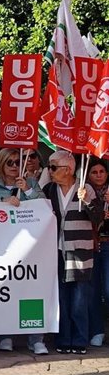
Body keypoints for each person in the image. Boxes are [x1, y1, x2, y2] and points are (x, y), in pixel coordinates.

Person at [0, 149, 48, 355]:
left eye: (17, 161)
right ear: (1, 164)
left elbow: (45, 206)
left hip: (30, 248)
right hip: (3, 248)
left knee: (32, 291)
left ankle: (35, 338)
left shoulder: (32, 183)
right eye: (9, 162)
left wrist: (28, 190)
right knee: (6, 292)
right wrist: (1, 204)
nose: (13, 165)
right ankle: (6, 335)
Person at [43, 150, 102, 354]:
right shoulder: (49, 189)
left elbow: (98, 218)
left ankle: (79, 340)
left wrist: (86, 201)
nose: (49, 171)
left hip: (81, 252)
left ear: (67, 170)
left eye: (52, 167)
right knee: (61, 297)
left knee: (79, 298)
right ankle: (62, 339)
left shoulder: (86, 188)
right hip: (57, 250)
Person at [85, 158, 109, 348]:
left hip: (108, 246)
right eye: (95, 172)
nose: (99, 175)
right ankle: (97, 331)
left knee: (108, 290)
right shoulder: (83, 192)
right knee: (92, 291)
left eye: (102, 171)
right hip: (91, 245)